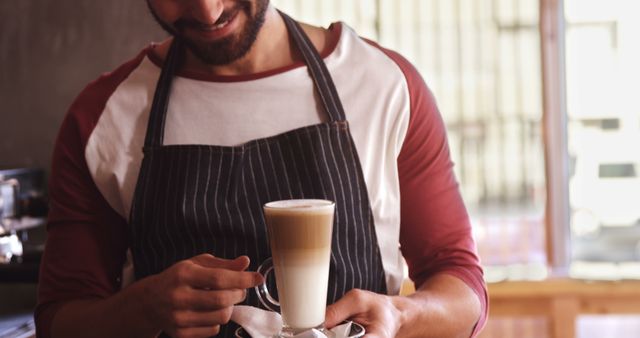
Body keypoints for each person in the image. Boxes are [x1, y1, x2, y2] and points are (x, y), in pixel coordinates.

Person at [36, 0, 488, 337]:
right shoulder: (103, 117)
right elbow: (59, 320)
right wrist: (142, 308)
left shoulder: (382, 86)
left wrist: (400, 315)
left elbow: (462, 288)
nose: (208, 11)